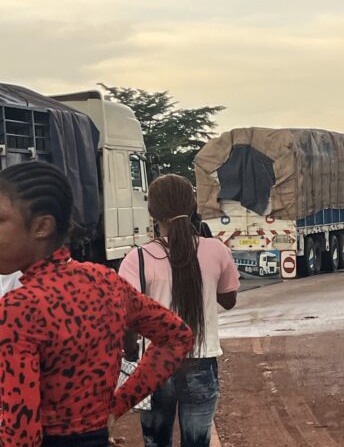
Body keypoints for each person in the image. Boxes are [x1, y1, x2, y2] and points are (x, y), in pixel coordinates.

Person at [0, 162, 193, 446]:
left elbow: (20, 435)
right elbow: (177, 336)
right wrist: (117, 405)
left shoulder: (20, 308)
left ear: (41, 226)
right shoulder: (105, 281)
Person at [119, 174, 240, 447]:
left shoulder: (137, 258)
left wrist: (129, 351)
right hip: (201, 361)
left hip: (155, 364)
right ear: (193, 205)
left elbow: (126, 318)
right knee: (197, 441)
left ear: (152, 211)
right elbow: (229, 300)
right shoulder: (216, 251)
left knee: (155, 442)